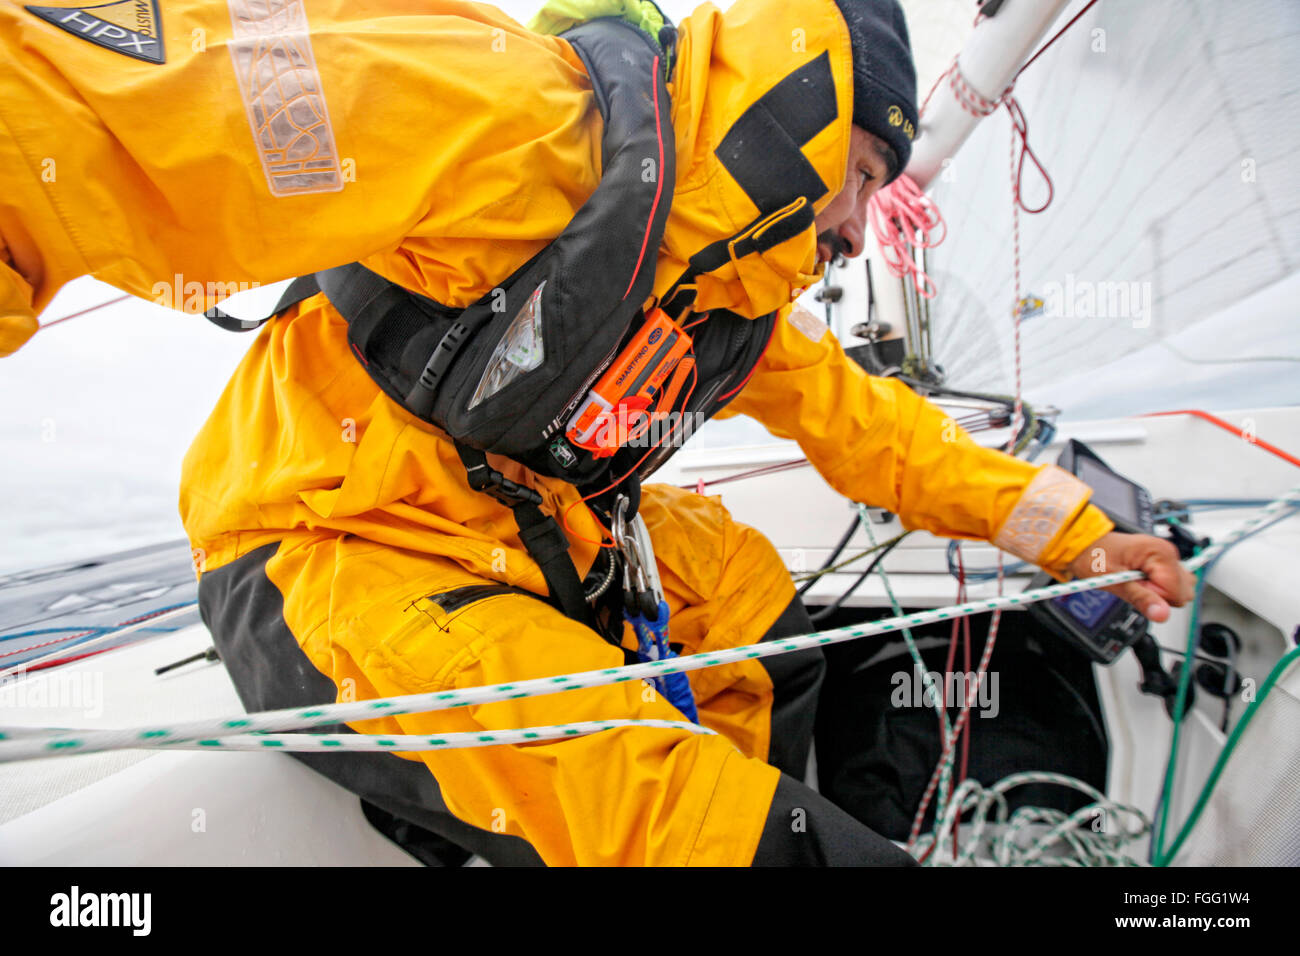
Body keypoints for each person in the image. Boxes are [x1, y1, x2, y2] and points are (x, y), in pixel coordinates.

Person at [0, 0, 1194, 865]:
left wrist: (1077, 537)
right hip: (324, 544)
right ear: (802, 104)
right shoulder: (512, 117)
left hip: (520, 537)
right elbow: (94, 114)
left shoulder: (730, 299)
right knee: (662, 803)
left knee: (758, 615)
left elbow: (881, 433)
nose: (859, 224)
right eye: (864, 169)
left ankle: (727, 809)